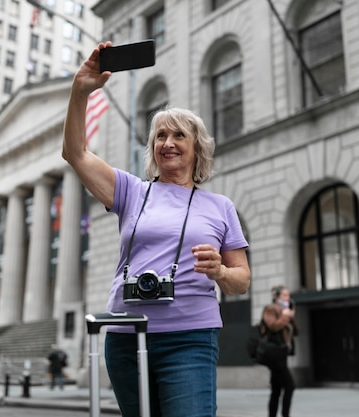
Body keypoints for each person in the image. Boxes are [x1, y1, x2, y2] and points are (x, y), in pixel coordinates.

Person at [62, 41, 251, 417]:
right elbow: (75, 153)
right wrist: (80, 91)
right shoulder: (131, 191)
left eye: (179, 135)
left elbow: (242, 279)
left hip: (190, 338)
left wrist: (221, 272)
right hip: (125, 334)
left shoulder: (220, 206)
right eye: (160, 136)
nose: (168, 143)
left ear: (198, 147)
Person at [261, 286, 298, 417]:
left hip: (282, 354)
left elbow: (296, 331)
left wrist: (290, 315)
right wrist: (285, 317)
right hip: (274, 354)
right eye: (284, 295)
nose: (288, 298)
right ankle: (285, 414)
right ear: (277, 298)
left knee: (276, 389)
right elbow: (273, 326)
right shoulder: (270, 309)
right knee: (290, 386)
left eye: (288, 295)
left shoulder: (286, 311)